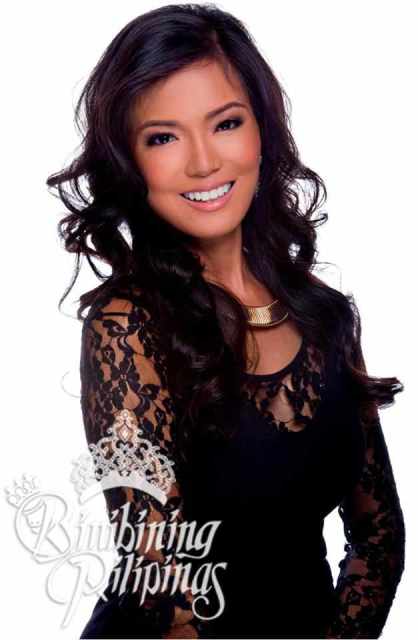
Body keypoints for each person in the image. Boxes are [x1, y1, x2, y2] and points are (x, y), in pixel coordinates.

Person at [46, 4, 405, 638]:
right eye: (163, 137)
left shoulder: (326, 316)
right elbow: (157, 576)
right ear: (129, 163)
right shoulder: (126, 326)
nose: (204, 162)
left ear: (262, 130)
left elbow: (379, 539)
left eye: (226, 123)